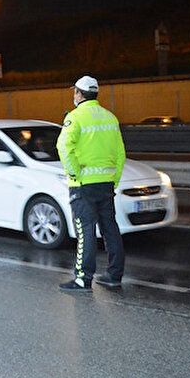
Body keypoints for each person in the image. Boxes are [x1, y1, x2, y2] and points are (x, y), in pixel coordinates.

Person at [56, 75, 126, 292]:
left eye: (74, 92)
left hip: (83, 185)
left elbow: (63, 147)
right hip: (106, 184)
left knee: (85, 231)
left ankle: (83, 279)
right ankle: (114, 275)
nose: (73, 96)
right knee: (110, 229)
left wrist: (74, 174)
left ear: (79, 94)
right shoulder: (110, 118)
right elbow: (121, 154)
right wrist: (113, 180)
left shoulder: (75, 118)